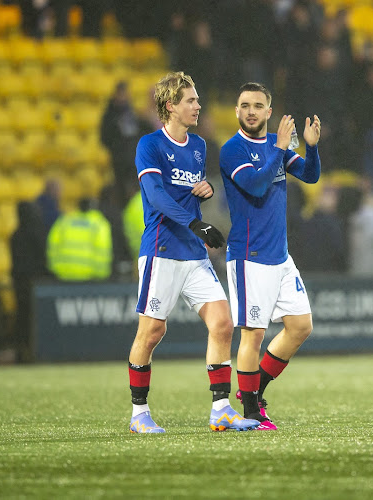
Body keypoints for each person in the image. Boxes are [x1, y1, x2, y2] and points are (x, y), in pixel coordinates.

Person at [128, 71, 259, 434]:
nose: (198, 105)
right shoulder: (150, 145)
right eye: (191, 100)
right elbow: (155, 196)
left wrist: (201, 192)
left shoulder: (199, 147)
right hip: (161, 249)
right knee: (152, 331)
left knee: (222, 323)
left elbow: (185, 191)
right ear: (171, 106)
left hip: (193, 252)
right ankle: (139, 415)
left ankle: (221, 409)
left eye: (197, 100)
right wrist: (197, 224)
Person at [219, 82, 321, 430]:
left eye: (257, 105)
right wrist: (279, 147)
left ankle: (255, 391)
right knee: (253, 336)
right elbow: (259, 185)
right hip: (250, 256)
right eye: (244, 104)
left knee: (300, 326)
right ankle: (250, 413)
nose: (250, 111)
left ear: (268, 111)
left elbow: (310, 174)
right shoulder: (232, 150)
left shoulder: (274, 146)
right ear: (236, 111)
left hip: (280, 256)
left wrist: (311, 147)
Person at [100, 81, 149, 205]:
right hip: (120, 161)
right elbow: (105, 137)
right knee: (122, 190)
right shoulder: (110, 116)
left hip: (134, 159)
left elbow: (143, 132)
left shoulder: (133, 114)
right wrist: (118, 149)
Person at [10, 201, 46, 362]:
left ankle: (21, 352)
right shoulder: (38, 233)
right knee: (35, 317)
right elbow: (42, 258)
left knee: (22, 317)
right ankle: (34, 352)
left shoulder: (15, 236)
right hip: (35, 283)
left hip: (20, 282)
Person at [47, 198, 112, 281]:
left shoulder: (64, 221)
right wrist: (101, 275)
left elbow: (52, 245)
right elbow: (103, 251)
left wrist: (54, 268)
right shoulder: (100, 224)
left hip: (63, 275)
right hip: (90, 278)